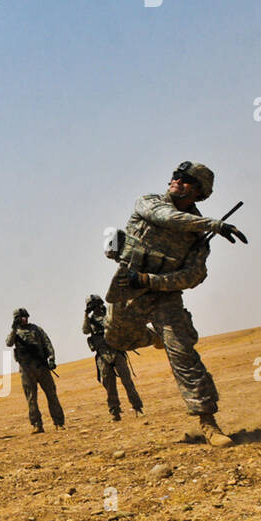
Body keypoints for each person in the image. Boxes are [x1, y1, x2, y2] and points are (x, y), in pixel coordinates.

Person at [105, 161, 247, 447]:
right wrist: (212, 224)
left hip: (162, 295)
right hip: (128, 289)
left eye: (185, 180)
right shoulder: (149, 203)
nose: (176, 181)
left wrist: (150, 281)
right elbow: (167, 218)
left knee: (183, 354)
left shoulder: (198, 238)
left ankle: (208, 423)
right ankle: (153, 337)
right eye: (176, 176)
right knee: (115, 338)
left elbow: (194, 276)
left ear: (198, 192)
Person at [82, 294, 143, 422]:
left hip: (117, 351)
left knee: (127, 382)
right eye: (93, 306)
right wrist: (85, 315)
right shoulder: (91, 321)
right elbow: (85, 331)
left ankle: (137, 407)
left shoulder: (110, 315)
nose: (96, 308)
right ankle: (115, 412)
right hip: (102, 355)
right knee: (109, 385)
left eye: (97, 304)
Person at [6, 308, 64, 434]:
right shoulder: (15, 332)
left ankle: (59, 422)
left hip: (41, 366)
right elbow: (8, 343)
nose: (24, 319)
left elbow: (47, 343)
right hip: (26, 369)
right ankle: (37, 425)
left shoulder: (36, 329)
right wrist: (13, 329)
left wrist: (51, 358)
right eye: (21, 317)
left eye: (26, 316)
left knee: (51, 394)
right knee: (31, 398)